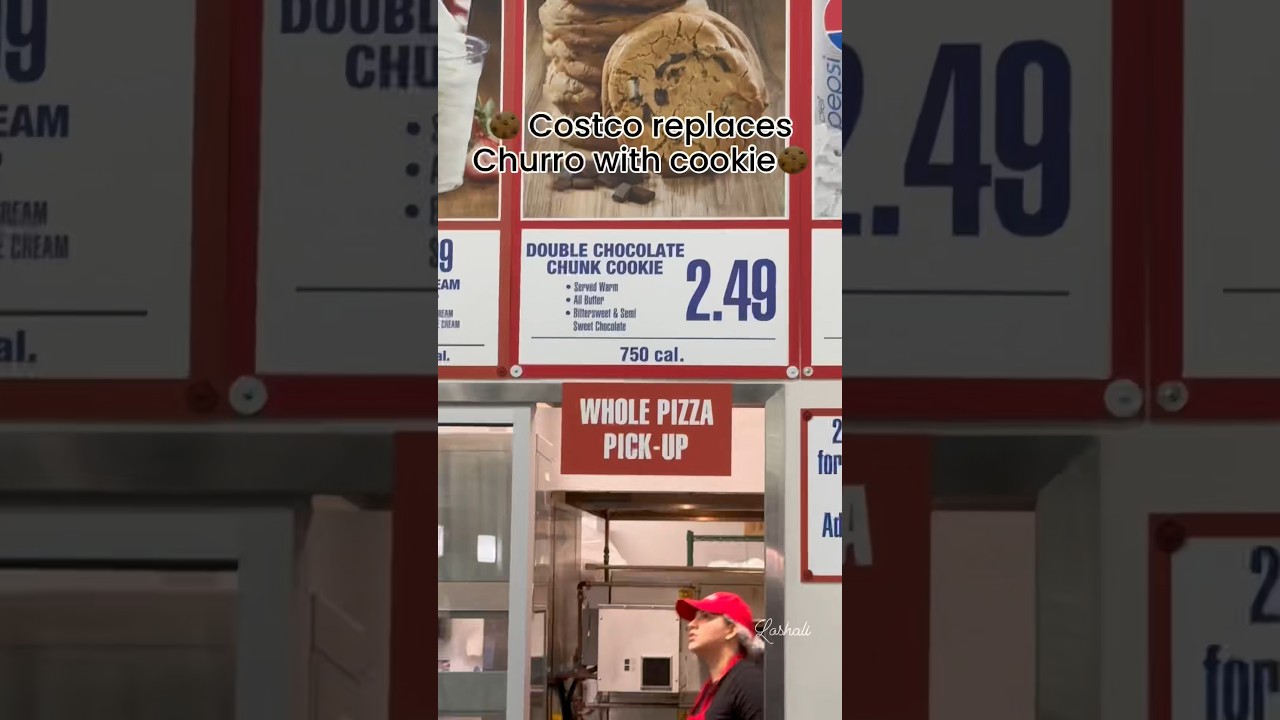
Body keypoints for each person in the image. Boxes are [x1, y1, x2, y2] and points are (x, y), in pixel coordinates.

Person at [675, 592, 765, 720]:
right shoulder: (712, 687)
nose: (691, 624)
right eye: (694, 617)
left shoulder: (747, 680)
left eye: (705, 616)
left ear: (731, 629)